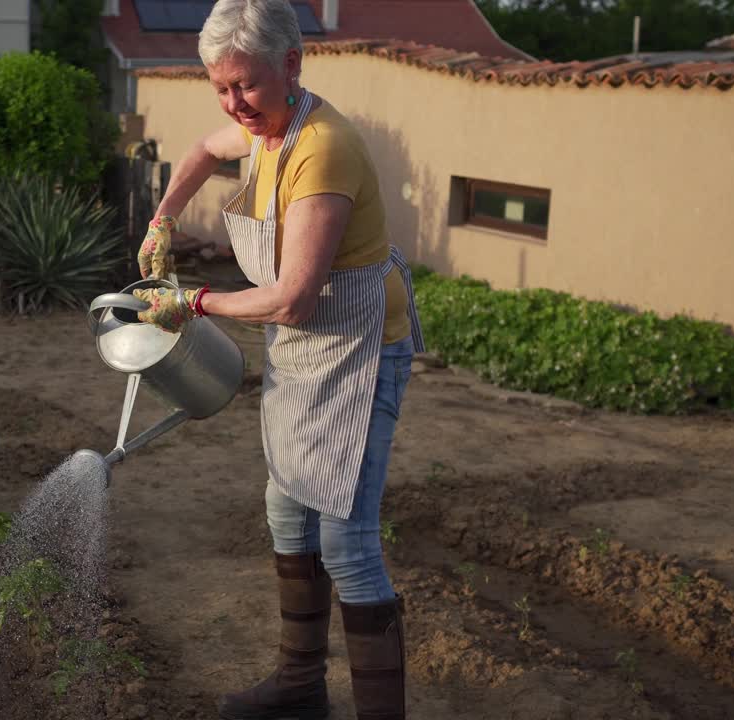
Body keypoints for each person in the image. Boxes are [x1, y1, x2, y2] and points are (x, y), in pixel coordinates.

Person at [131, 1, 427, 718]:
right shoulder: (262, 128)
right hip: (303, 349)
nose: (234, 103)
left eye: (247, 87)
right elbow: (203, 153)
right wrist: (163, 219)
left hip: (358, 350)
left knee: (347, 539)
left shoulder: (321, 148)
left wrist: (193, 304)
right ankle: (301, 687)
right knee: (287, 513)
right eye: (220, 87)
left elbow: (292, 297)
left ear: (292, 66)